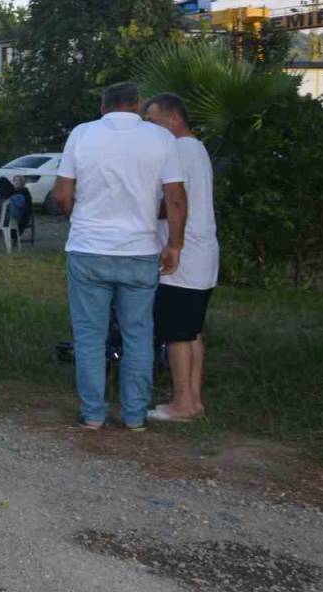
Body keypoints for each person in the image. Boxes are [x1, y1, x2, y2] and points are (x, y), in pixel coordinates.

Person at [51, 82, 187, 432]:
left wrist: (76, 217)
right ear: (138, 106)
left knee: (89, 335)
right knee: (139, 334)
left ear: (103, 108)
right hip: (140, 251)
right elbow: (175, 198)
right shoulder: (161, 139)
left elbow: (63, 193)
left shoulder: (82, 135)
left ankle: (93, 414)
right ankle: (134, 416)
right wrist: (174, 244)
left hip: (88, 249)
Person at [143, 93, 218, 422]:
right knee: (191, 331)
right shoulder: (196, 148)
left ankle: (182, 404)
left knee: (176, 332)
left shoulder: (179, 149)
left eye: (152, 122)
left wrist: (140, 204)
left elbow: (175, 200)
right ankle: (193, 400)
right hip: (201, 254)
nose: (148, 129)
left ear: (172, 119)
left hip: (184, 254)